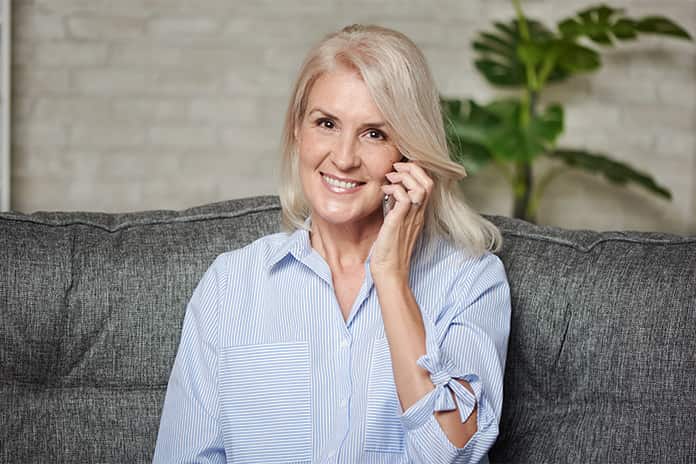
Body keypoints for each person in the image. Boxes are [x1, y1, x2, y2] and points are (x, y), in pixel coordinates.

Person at [153, 24, 511, 464]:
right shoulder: (231, 284)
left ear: (410, 155)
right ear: (297, 132)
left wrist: (392, 280)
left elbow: (455, 454)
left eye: (375, 133)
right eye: (326, 123)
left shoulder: (470, 280)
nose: (343, 157)